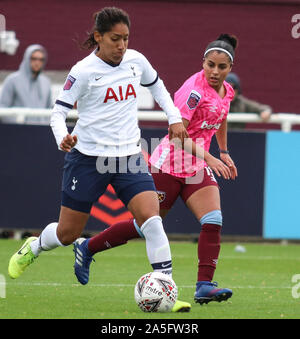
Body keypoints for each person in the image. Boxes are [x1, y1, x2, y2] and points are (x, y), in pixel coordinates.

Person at [7, 7, 190, 312]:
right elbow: (58, 112)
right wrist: (61, 137)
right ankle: (34, 246)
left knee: (152, 219)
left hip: (128, 157)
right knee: (68, 234)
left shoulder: (136, 61)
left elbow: (158, 88)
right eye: (115, 39)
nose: (122, 45)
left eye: (126, 39)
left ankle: (166, 291)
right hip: (87, 160)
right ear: (98, 37)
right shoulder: (83, 71)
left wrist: (174, 117)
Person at [74, 34, 239, 305]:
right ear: (203, 62)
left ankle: (204, 285)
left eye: (222, 67)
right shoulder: (193, 91)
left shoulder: (227, 90)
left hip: (196, 167)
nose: (215, 71)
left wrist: (223, 151)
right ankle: (87, 247)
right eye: (210, 65)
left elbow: (221, 117)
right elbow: (177, 135)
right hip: (168, 166)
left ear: (230, 68)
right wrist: (211, 158)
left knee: (213, 220)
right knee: (147, 225)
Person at [0, 44, 52, 123]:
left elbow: (49, 109)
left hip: (42, 131)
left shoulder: (46, 82)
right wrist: (18, 123)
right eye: (34, 59)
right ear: (27, 58)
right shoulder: (12, 80)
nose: (37, 62)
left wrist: (45, 123)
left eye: (41, 59)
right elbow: (3, 107)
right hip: (18, 131)